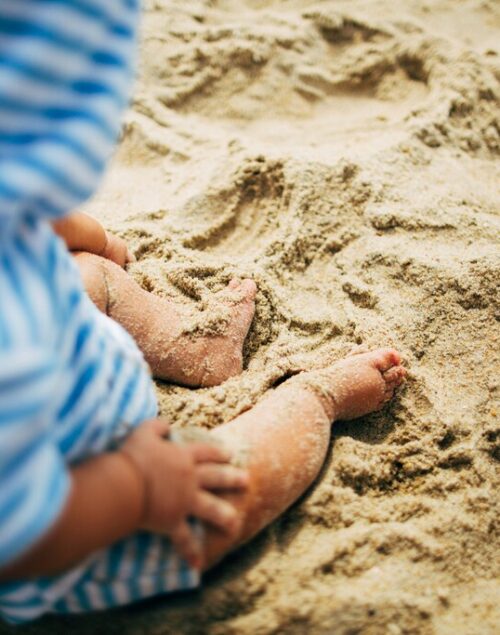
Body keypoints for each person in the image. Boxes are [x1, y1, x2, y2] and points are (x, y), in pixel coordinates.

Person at [0, 0, 407, 624]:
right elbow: (22, 532)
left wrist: (85, 235)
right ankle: (316, 399)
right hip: (76, 523)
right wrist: (138, 487)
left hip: (67, 369)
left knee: (89, 274)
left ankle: (191, 347)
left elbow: (34, 218)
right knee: (218, 501)